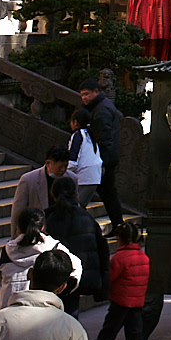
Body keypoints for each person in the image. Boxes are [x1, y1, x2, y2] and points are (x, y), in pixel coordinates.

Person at [46, 177, 109, 311]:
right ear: (75, 194)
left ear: (52, 194)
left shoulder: (51, 219)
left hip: (58, 277)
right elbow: (102, 248)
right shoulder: (86, 217)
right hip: (80, 276)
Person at [93, 219, 151, 340]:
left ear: (120, 239)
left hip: (121, 299)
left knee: (111, 327)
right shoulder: (143, 257)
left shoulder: (119, 258)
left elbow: (111, 277)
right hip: (137, 299)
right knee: (135, 327)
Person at [76, 77, 125, 230]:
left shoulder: (101, 110)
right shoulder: (102, 107)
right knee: (108, 194)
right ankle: (118, 226)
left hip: (105, 159)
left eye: (87, 94)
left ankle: (116, 226)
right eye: (82, 95)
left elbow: (104, 139)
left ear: (96, 92)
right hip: (107, 157)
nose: (84, 98)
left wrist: (102, 162)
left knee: (107, 193)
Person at [0, 217, 77, 309]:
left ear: (18, 228)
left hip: (8, 303)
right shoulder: (53, 247)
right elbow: (76, 270)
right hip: (43, 306)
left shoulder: (6, 250)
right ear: (42, 227)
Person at [8, 153, 69, 236]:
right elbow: (18, 211)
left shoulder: (71, 178)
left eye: (66, 166)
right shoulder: (28, 180)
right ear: (48, 163)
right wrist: (15, 238)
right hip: (37, 234)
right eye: (60, 167)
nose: (63, 170)